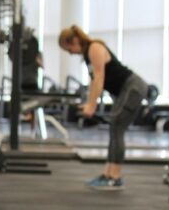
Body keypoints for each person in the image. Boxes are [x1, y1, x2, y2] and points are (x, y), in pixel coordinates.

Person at [58, 25, 148, 191]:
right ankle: (108, 174)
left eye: (69, 48)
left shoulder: (95, 47)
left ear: (75, 40)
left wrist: (92, 106)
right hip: (124, 91)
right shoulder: (87, 55)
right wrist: (89, 102)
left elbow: (99, 78)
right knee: (114, 128)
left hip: (133, 87)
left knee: (117, 127)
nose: (70, 53)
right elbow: (94, 82)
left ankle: (115, 176)